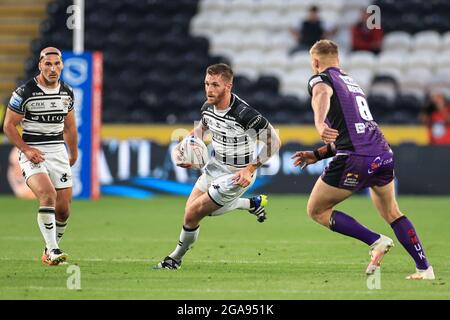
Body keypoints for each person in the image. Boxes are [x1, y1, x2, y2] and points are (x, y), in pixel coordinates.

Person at [291, 40, 434, 280]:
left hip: (356, 158)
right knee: (392, 212)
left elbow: (320, 94)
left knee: (317, 210)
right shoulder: (352, 84)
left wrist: (319, 123)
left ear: (315, 62)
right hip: (383, 154)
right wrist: (318, 154)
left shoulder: (320, 79)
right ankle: (424, 268)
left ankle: (376, 241)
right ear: (338, 60)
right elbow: (354, 132)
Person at [154, 63, 281, 269]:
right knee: (193, 211)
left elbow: (274, 142)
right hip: (215, 167)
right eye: (206, 84)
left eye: (215, 84)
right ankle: (252, 204)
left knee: (193, 213)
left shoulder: (245, 114)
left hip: (237, 174)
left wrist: (250, 168)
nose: (209, 89)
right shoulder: (207, 107)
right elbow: (198, 134)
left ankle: (174, 259)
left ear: (228, 86)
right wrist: (181, 151)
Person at [3, 47, 77, 266]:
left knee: (63, 210)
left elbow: (70, 127)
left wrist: (73, 152)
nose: (53, 68)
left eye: (57, 64)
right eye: (48, 64)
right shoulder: (24, 92)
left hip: (58, 152)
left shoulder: (67, 92)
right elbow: (8, 126)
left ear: (62, 65)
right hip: (33, 151)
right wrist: (26, 149)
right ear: (40, 65)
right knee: (47, 194)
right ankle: (54, 249)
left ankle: (48, 248)